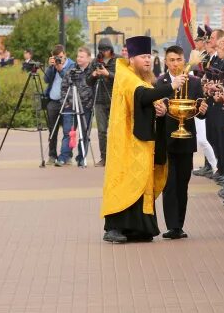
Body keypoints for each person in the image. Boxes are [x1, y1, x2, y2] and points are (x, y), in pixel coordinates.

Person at [100, 36, 185, 243]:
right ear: (131, 58)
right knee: (124, 181)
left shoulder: (142, 77)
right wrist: (171, 86)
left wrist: (160, 109)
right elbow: (143, 96)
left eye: (149, 56)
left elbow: (146, 102)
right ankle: (113, 228)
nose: (147, 60)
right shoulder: (126, 76)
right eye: (142, 56)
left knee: (139, 182)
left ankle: (139, 228)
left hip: (140, 142)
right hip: (126, 143)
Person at [157, 46, 208, 239]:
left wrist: (203, 110)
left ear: (184, 60)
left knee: (182, 184)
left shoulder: (194, 83)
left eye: (179, 59)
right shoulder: (160, 83)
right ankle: (172, 226)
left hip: (186, 141)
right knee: (169, 184)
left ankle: (180, 223)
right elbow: (155, 110)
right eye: (172, 60)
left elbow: (201, 112)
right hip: (167, 139)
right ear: (165, 62)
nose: (176, 63)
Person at [56, 47, 95, 167]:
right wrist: (65, 103)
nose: (79, 59)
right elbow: (64, 88)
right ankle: (64, 157)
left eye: (82, 56)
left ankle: (81, 157)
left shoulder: (93, 72)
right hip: (70, 106)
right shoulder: (71, 70)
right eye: (78, 56)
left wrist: (89, 105)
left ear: (88, 58)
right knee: (68, 132)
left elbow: (95, 90)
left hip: (86, 108)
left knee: (84, 133)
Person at [87, 38, 116, 167]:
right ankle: (104, 158)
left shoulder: (118, 60)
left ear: (111, 49)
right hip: (99, 100)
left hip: (114, 98)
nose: (104, 52)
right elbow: (88, 82)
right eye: (102, 50)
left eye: (106, 50)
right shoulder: (95, 62)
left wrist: (107, 73)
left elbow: (122, 79)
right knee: (102, 131)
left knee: (116, 131)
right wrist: (93, 74)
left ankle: (116, 157)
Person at [44, 45, 74, 163]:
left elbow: (70, 79)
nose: (59, 59)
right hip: (53, 101)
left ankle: (67, 156)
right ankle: (52, 156)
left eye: (60, 57)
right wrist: (51, 67)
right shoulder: (53, 66)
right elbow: (46, 79)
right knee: (52, 130)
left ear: (65, 54)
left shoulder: (72, 65)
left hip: (67, 102)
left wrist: (60, 68)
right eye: (56, 57)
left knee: (68, 131)